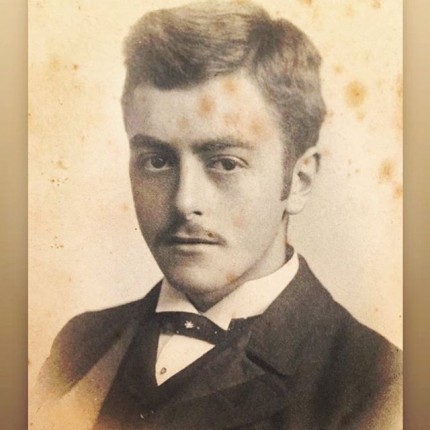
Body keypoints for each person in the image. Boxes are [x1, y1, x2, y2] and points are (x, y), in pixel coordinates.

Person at [33, 1, 402, 429]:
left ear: (299, 180)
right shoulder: (80, 345)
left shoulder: (378, 386)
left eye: (225, 163)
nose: (184, 201)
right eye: (157, 161)